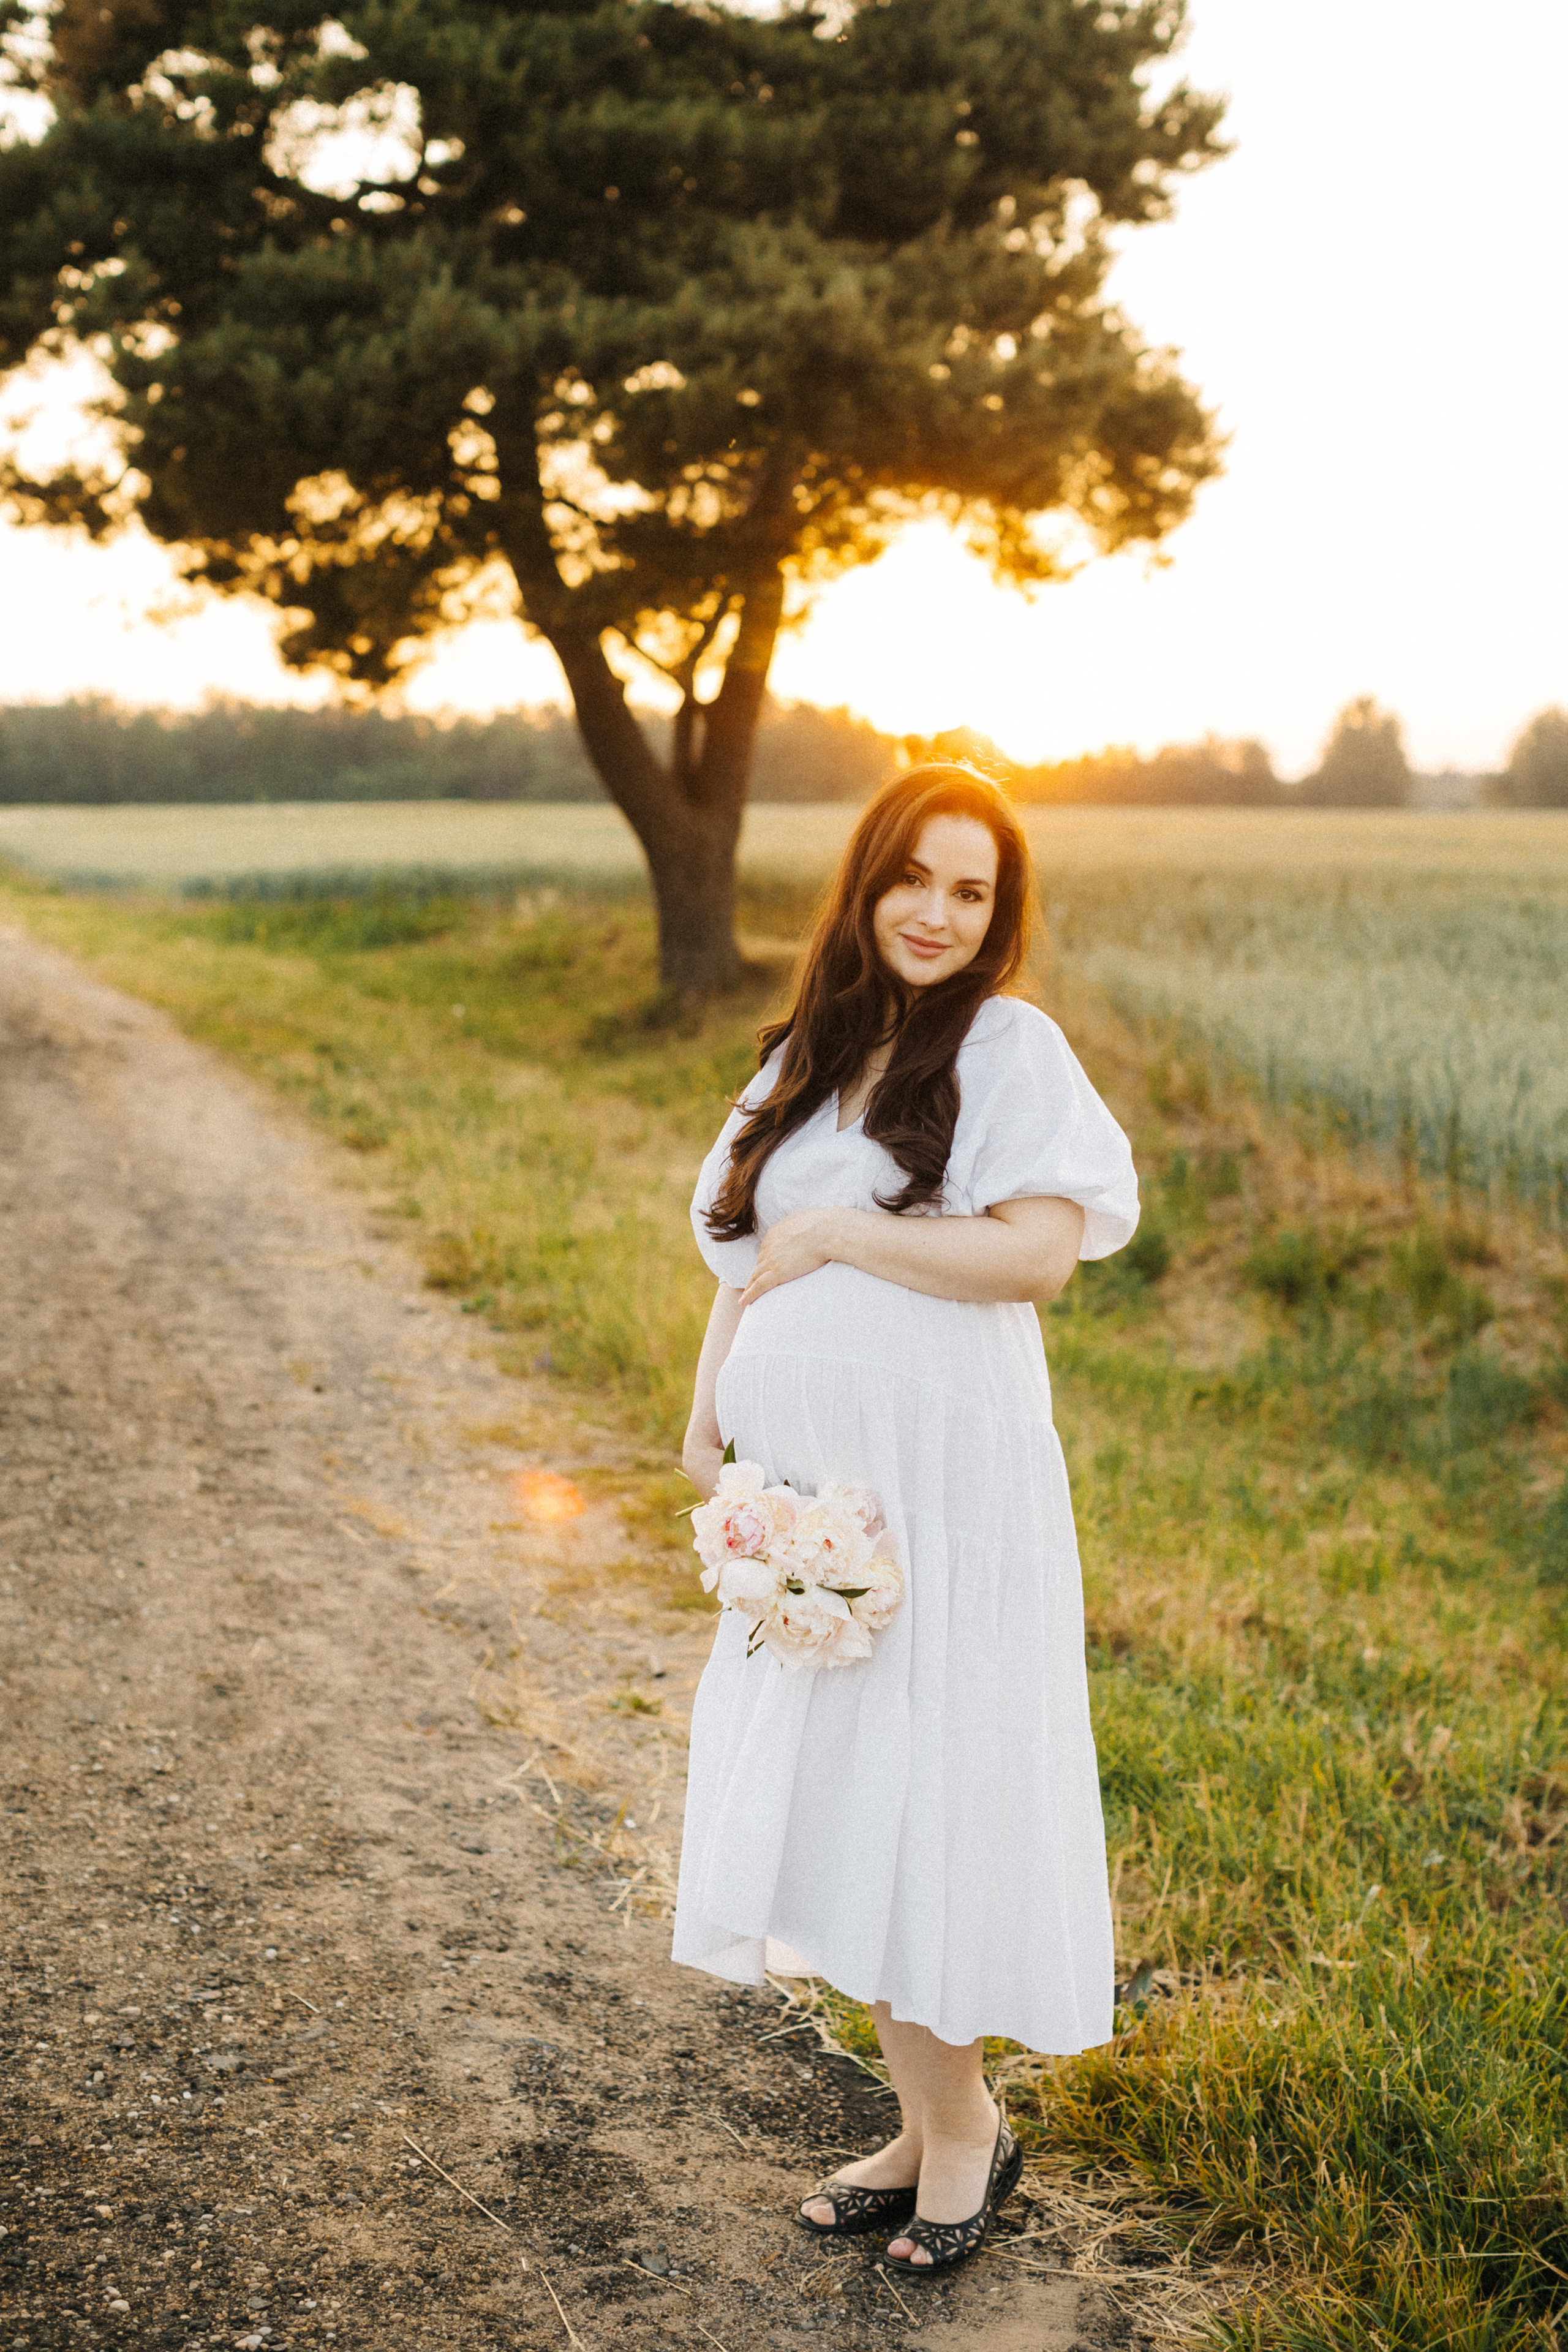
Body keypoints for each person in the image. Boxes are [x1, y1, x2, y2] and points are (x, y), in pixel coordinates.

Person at [673, 764, 1139, 2275]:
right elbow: (744, 1255)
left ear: (996, 918)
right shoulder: (805, 1053)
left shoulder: (1008, 1050)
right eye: (914, 880)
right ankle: (926, 2122)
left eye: (972, 891)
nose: (937, 914)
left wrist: (839, 1232)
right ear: (864, 885)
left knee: (925, 1795)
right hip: (810, 1514)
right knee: (845, 1802)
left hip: (950, 1496)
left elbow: (1033, 1261)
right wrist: (711, 1426)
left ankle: (961, 2137)